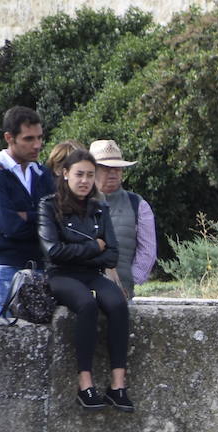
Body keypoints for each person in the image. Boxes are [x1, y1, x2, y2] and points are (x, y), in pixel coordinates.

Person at [37, 149, 133, 411]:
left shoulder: (100, 208)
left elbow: (112, 256)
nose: (84, 181)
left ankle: (117, 385)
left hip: (91, 274)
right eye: (79, 174)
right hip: (60, 276)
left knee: (117, 304)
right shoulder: (49, 205)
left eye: (90, 175)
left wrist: (83, 253)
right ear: (65, 174)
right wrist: (94, 247)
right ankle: (85, 383)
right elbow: (54, 253)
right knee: (86, 306)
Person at [0, 106, 54, 317]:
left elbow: (57, 217)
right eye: (29, 139)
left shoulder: (42, 173)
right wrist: (41, 220)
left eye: (40, 137)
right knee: (8, 334)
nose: (37, 145)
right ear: (9, 138)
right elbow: (10, 226)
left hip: (40, 263)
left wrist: (26, 215)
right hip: (6, 264)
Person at [89, 139, 156, 300]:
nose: (112, 172)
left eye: (117, 168)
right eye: (106, 168)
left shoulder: (138, 204)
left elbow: (148, 250)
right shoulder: (76, 202)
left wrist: (131, 279)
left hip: (121, 294)